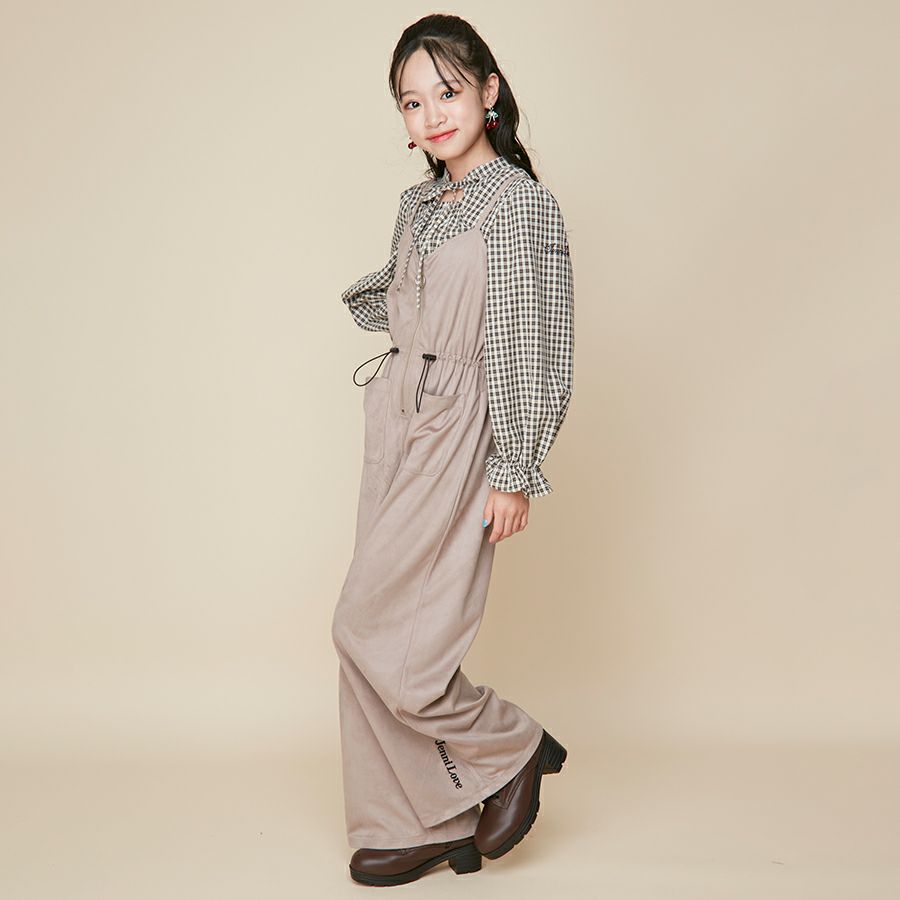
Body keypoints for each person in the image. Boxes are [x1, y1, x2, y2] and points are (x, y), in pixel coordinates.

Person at [331, 13, 574, 887]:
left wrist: (515, 468)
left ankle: (512, 747)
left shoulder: (519, 204)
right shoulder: (418, 203)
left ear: (488, 92)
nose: (430, 114)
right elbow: (414, 297)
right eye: (411, 101)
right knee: (371, 630)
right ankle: (421, 818)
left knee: (380, 629)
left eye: (446, 91)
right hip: (399, 410)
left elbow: (529, 342)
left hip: (462, 421)